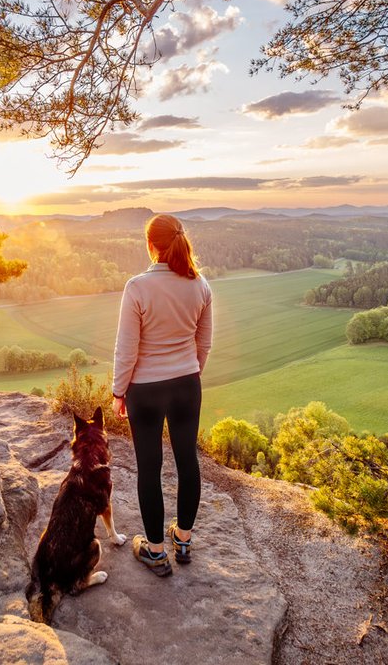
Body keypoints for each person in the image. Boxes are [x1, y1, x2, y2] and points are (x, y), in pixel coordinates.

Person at [112, 213, 212, 577]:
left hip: (146, 390)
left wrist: (119, 391)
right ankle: (183, 539)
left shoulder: (137, 287)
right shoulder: (200, 285)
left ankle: (155, 551)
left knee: (149, 467)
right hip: (187, 384)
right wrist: (190, 372)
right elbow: (204, 343)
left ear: (150, 245)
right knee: (188, 460)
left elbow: (127, 349)